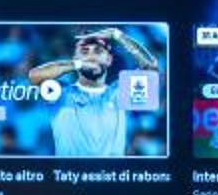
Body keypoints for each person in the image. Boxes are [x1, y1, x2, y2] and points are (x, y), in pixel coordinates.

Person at [26, 26, 159, 158]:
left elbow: (151, 69)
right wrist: (77, 65)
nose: (91, 57)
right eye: (84, 51)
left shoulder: (120, 92)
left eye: (98, 51)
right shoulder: (61, 93)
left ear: (109, 60)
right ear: (75, 58)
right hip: (70, 171)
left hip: (111, 171)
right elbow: (34, 76)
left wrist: (118, 35)